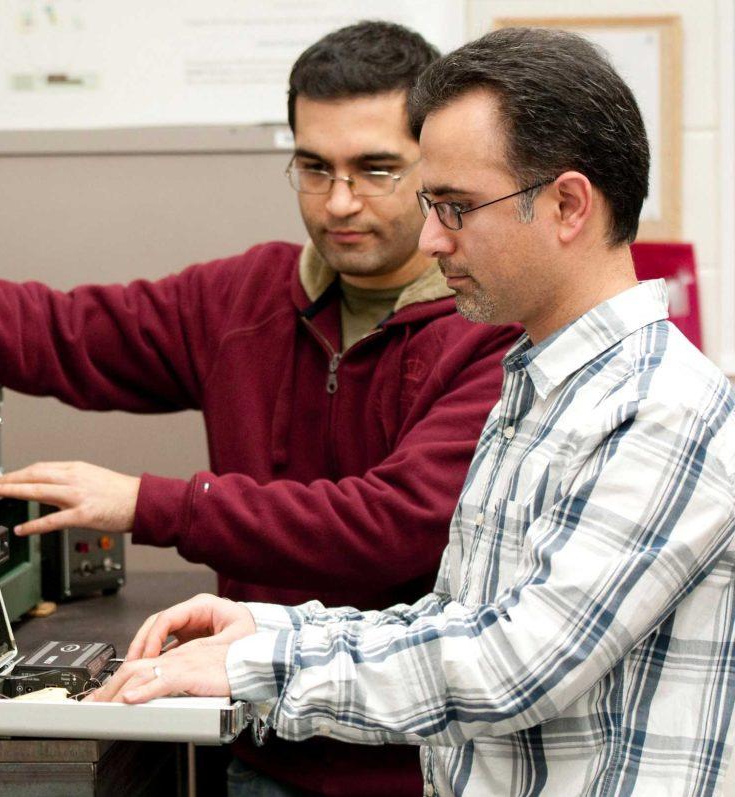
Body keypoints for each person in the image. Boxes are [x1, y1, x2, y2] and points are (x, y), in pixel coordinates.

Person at [0, 22, 519, 794]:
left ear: (432, 169)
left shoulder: (487, 330)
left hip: (413, 770)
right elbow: (65, 333)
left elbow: (391, 526)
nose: (339, 201)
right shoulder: (246, 298)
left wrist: (150, 502)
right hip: (259, 748)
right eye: (313, 166)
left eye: (376, 169)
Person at [89, 26, 735, 796]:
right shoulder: (539, 387)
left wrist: (257, 665)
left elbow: (509, 665)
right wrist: (270, 627)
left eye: (456, 207)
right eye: (431, 204)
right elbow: (458, 620)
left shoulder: (666, 409)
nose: (430, 239)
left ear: (567, 204)